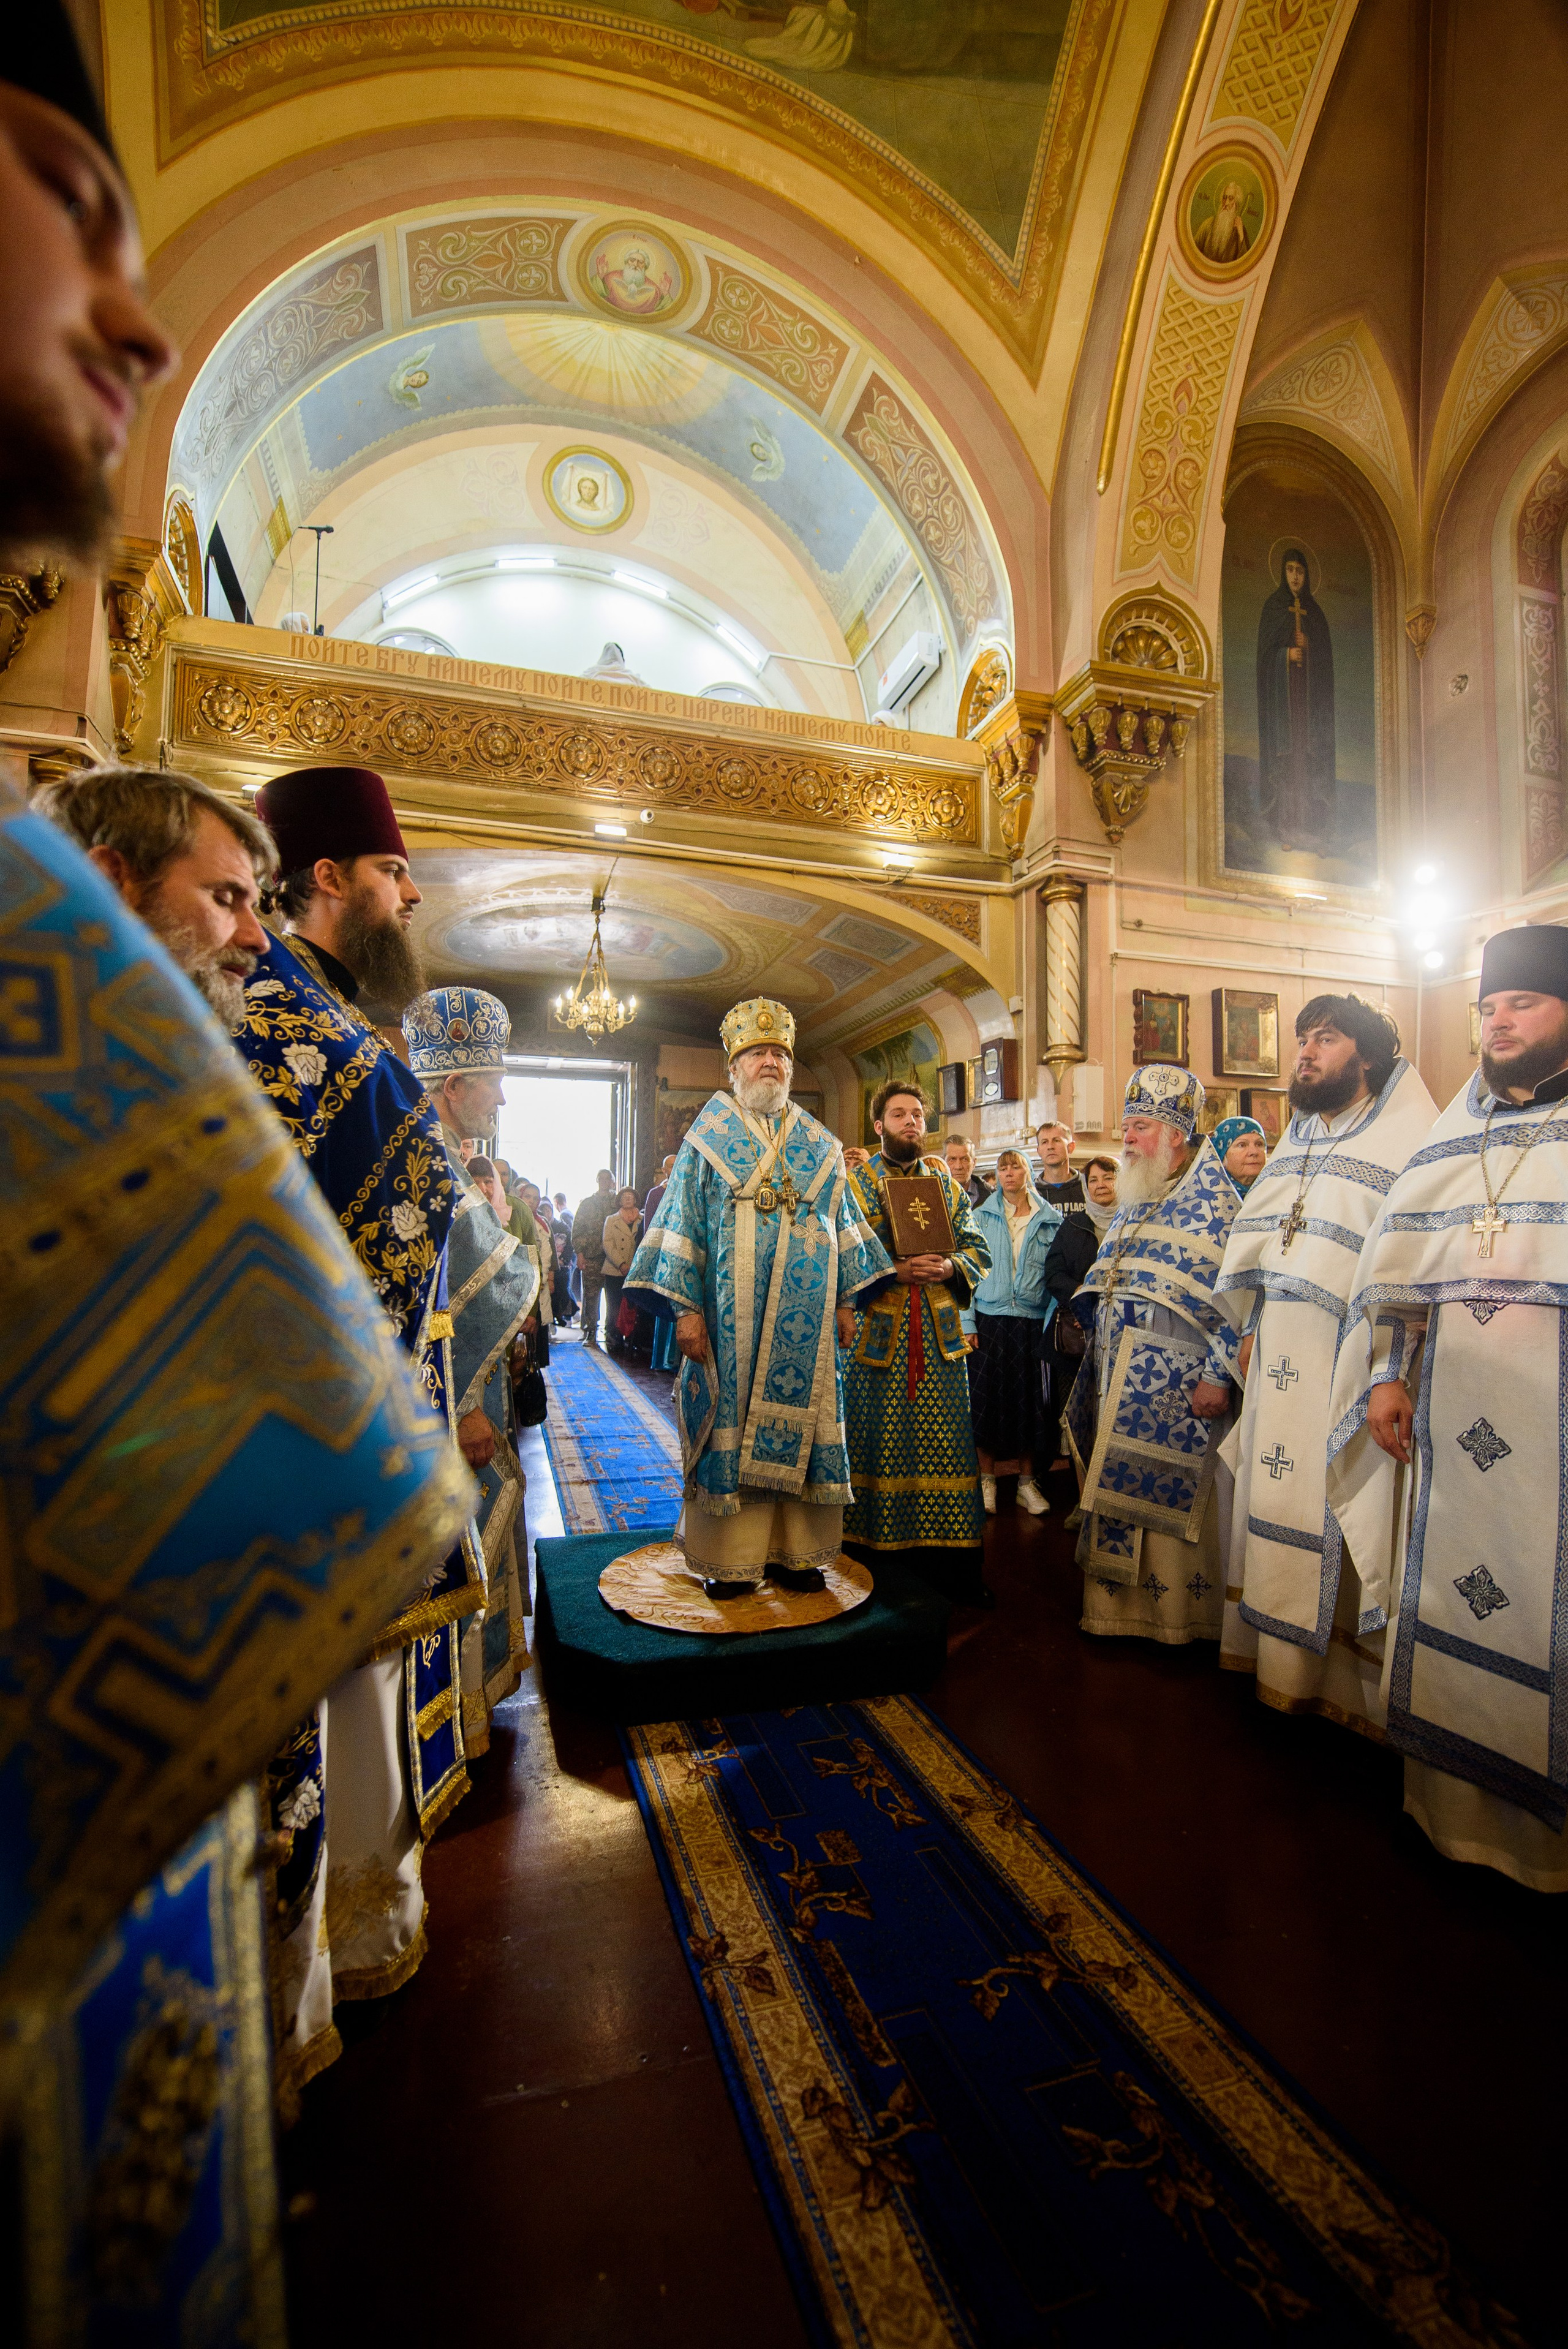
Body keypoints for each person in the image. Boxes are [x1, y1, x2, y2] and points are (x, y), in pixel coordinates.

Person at [1327, 928, 1568, 1889]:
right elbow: (1397, 1277)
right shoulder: (1453, 1137)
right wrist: (1387, 1374)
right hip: (1457, 1418)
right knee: (1456, 1588)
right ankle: (1448, 1811)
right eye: (1488, 1006)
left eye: (1524, 1003)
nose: (1498, 1020)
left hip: (1556, 1430)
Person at [1217, 1000, 1434, 1734]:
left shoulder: (1408, 1141)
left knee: (1333, 1498)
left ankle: (1337, 1686)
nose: (1305, 1053)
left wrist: (1386, 1368)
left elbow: (1407, 1270)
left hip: (1346, 1361)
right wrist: (1251, 1322)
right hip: (1280, 1350)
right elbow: (1268, 1244)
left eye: (1326, 1039)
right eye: (1302, 1040)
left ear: (1365, 1056)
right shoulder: (1301, 1135)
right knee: (1273, 1490)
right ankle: (1274, 1665)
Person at [625, 998, 890, 1599]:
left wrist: (848, 1301)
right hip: (728, 1322)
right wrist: (687, 1312)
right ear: (733, 1068)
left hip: (810, 1321)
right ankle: (731, 1561)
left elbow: (842, 1222)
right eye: (755, 1053)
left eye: (778, 1054)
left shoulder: (819, 1146)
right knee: (734, 1430)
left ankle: (798, 1556)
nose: (768, 1062)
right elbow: (681, 1226)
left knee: (807, 1426)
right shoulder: (706, 1141)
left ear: (790, 1068)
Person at [407, 989, 541, 1752]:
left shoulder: (445, 1151)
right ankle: (454, 1718)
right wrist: (462, 1406)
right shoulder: (428, 1155)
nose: (501, 1095)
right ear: (454, 1087)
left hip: (468, 1381)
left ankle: (467, 1708)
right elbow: (461, 1286)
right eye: (493, 1079)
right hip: (450, 1392)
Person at [1066, 1068, 1242, 1645]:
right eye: (1128, 1127)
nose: (1128, 1139)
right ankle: (1115, 1611)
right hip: (1119, 1375)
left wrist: (1219, 1375)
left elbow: (1241, 1305)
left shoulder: (1217, 1206)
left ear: (1175, 1133)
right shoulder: (1137, 1197)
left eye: (1140, 1127)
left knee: (1171, 1509)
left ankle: (1176, 1621)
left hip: (1182, 1385)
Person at [842, 1080, 992, 1604]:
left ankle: (950, 1572)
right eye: (899, 1114)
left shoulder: (947, 1187)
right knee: (876, 1442)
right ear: (878, 1125)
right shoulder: (855, 1186)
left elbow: (978, 1248)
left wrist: (951, 1265)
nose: (911, 1122)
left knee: (948, 1447)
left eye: (917, 1115)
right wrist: (893, 1270)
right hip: (876, 1342)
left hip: (941, 1341)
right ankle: (871, 1567)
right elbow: (842, 1254)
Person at [970, 1149, 1061, 1515]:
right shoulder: (979, 1217)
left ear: (1028, 1171)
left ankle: (1026, 1483)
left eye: (1016, 1166)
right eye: (1003, 1168)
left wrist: (1050, 1325)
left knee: (1030, 1406)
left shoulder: (1050, 1220)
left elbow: (1055, 1280)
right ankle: (987, 1481)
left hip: (1030, 1322)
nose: (1009, 1173)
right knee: (985, 1404)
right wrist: (967, 1322)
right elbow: (968, 1274)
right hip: (990, 1320)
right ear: (996, 1174)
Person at [1040, 1153, 1120, 1472]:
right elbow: (1053, 1274)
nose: (1101, 1185)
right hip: (1077, 1335)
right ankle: (1080, 1492)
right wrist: (1081, 1301)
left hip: (1121, 1333)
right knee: (1080, 1414)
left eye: (1108, 1178)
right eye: (1094, 1180)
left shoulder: (1133, 1220)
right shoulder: (1074, 1225)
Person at [573, 1167, 617, 1346]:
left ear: (612, 1182)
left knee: (613, 1297)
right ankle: (590, 1331)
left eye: (608, 1179)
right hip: (592, 1256)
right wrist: (580, 1254)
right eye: (602, 1179)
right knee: (591, 1296)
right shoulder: (587, 1204)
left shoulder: (617, 1202)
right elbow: (577, 1230)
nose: (605, 1182)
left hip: (614, 1258)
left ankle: (612, 1332)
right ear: (597, 1181)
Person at [601, 1183, 642, 1354]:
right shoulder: (611, 1220)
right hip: (615, 1270)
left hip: (635, 1270)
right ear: (619, 1200)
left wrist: (634, 1265)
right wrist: (621, 1264)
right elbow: (607, 1244)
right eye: (624, 1197)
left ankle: (632, 1338)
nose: (627, 1199)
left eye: (630, 1197)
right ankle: (613, 1337)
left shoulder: (642, 1219)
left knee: (633, 1306)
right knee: (614, 1305)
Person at [1035, 1120, 1089, 1216]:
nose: (1050, 1147)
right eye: (1044, 1142)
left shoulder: (1087, 1187)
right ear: (1038, 1151)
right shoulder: (1033, 1193)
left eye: (1056, 1140)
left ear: (1071, 1147)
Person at [1214, 1114, 1268, 1196]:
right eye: (1242, 1145)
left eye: (1259, 1144)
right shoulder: (1209, 1196)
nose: (1254, 1152)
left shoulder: (1277, 1192)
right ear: (1222, 1155)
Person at [944, 1133, 990, 1206]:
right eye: (952, 1159)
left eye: (965, 1159)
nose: (958, 1167)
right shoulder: (934, 1195)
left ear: (974, 1163)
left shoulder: (991, 1196)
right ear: (944, 1163)